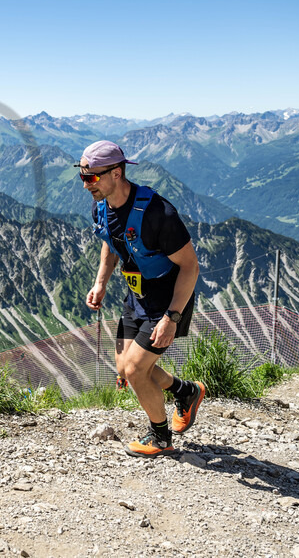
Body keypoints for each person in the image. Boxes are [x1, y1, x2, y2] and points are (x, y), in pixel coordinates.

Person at [79, 140, 204, 458]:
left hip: (168, 298)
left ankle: (161, 438)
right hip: (137, 294)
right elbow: (110, 241)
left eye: (92, 177)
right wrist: (100, 283)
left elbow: (190, 266)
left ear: (116, 173)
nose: (86, 184)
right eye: (82, 176)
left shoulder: (158, 213)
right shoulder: (102, 205)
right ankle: (185, 391)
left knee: (136, 371)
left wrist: (172, 317)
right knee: (125, 368)